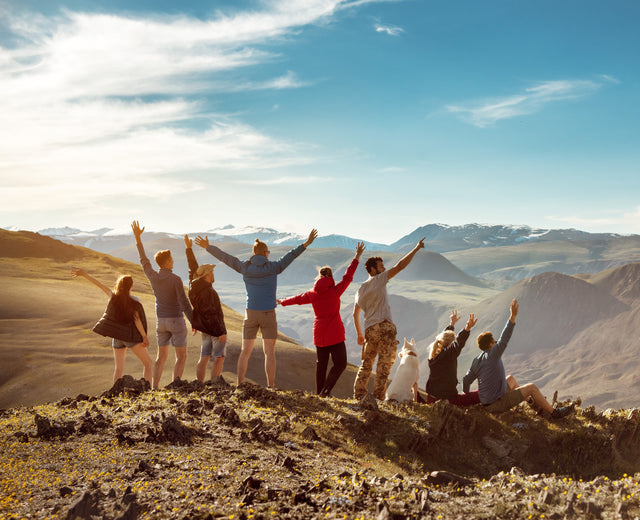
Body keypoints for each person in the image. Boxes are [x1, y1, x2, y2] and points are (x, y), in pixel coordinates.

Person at [194, 229, 318, 387]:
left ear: (254, 253)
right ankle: (271, 386)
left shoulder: (245, 267)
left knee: (245, 351)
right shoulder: (274, 267)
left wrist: (208, 247)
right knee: (269, 352)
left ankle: (240, 384)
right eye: (268, 252)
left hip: (250, 313)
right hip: (268, 314)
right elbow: (290, 256)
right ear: (265, 253)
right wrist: (305, 244)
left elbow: (226, 258)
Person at [278, 242, 366, 397]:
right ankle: (325, 391)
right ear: (331, 277)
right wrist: (357, 256)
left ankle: (320, 393)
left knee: (321, 365)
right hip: (335, 333)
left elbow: (297, 299)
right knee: (340, 364)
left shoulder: (312, 293)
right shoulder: (336, 290)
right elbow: (348, 276)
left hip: (319, 333)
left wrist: (283, 301)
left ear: (319, 277)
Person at [462, 299, 574, 419]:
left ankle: (535, 406)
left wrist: (470, 398)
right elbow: (504, 338)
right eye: (493, 341)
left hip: (489, 401)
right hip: (497, 404)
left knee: (511, 379)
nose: (496, 342)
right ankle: (554, 413)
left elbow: (466, 381)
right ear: (490, 345)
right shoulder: (493, 354)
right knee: (532, 387)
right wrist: (512, 317)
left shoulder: (477, 360)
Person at [352, 238, 425, 400]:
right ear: (372, 270)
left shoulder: (360, 289)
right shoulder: (379, 280)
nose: (384, 268)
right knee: (384, 366)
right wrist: (416, 249)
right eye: (381, 266)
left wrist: (359, 334)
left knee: (366, 363)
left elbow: (355, 313)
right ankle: (378, 398)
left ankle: (359, 393)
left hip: (369, 330)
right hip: (385, 328)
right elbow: (400, 266)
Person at [131, 221, 193, 388]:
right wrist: (195, 322)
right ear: (166, 262)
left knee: (161, 357)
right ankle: (175, 386)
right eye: (171, 259)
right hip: (176, 321)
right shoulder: (176, 280)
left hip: (161, 321)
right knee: (181, 356)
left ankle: (155, 387)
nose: (173, 261)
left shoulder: (153, 276)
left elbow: (143, 260)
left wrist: (138, 238)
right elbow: (184, 302)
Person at [71, 268, 152, 384]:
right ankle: (147, 391)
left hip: (117, 337)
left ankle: (115, 393)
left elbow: (100, 285)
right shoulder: (134, 300)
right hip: (129, 337)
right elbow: (137, 320)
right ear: (131, 286)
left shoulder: (114, 297)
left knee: (118, 369)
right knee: (148, 363)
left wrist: (84, 274)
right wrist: (144, 336)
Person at [184, 235, 228, 383]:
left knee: (204, 357)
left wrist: (189, 249)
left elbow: (193, 268)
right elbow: (212, 314)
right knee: (219, 358)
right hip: (214, 329)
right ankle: (215, 384)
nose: (213, 273)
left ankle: (200, 384)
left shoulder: (194, 286)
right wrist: (221, 332)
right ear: (208, 274)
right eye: (212, 271)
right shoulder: (208, 292)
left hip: (203, 328)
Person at [425, 310, 480, 406]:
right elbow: (458, 343)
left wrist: (452, 324)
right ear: (450, 344)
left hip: (431, 399)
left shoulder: (434, 354)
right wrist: (467, 328)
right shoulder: (448, 356)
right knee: (480, 394)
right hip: (448, 400)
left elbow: (442, 338)